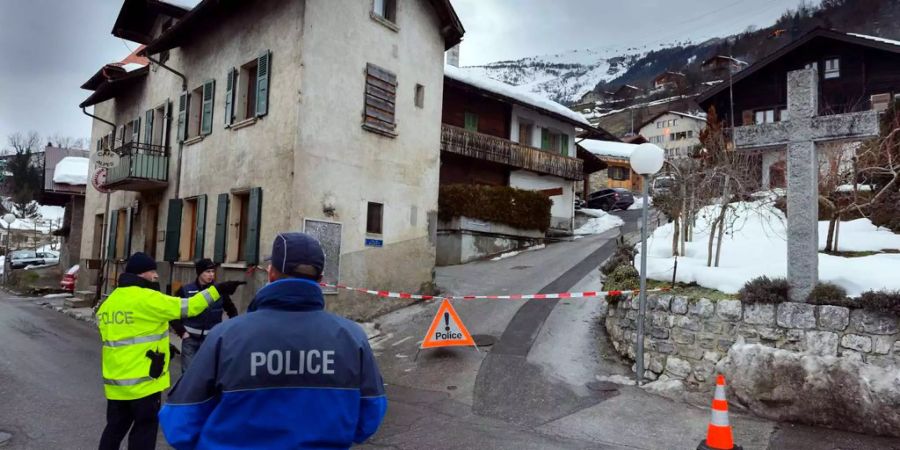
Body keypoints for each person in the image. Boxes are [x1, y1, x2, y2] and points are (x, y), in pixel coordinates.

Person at [159, 233, 387, 449]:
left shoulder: (226, 336)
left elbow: (179, 423)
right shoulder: (352, 337)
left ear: (271, 274)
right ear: (321, 280)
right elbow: (370, 416)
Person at [97, 252, 245, 450]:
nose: (156, 276)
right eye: (152, 271)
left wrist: (160, 346)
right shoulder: (149, 298)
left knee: (113, 430)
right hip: (144, 383)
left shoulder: (109, 302)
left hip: (115, 383)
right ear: (142, 274)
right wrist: (218, 290)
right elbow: (190, 307)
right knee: (144, 431)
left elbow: (122, 336)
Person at [170, 258, 238, 373]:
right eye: (207, 272)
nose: (211, 275)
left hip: (211, 341)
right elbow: (172, 313)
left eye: (213, 271)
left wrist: (229, 330)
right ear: (199, 273)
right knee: (188, 375)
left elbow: (232, 311)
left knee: (209, 374)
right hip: (190, 340)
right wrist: (182, 332)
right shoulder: (185, 290)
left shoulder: (219, 291)